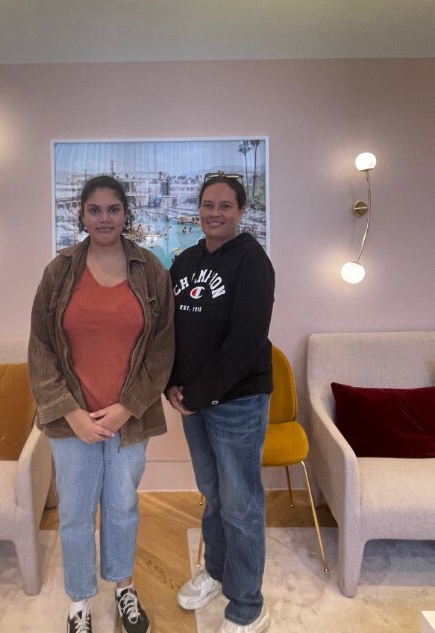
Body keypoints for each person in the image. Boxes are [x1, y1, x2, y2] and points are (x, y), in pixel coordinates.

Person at [29, 175, 175, 633]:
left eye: (113, 209)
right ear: (83, 214)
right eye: (95, 210)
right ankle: (79, 602)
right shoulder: (59, 272)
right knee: (74, 514)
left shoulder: (151, 271)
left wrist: (127, 406)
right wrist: (71, 412)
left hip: (129, 420)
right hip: (71, 421)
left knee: (122, 507)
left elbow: (162, 350)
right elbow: (40, 348)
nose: (105, 218)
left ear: (126, 214)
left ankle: (123, 587)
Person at [167, 174, 275, 633]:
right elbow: (169, 329)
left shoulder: (252, 261)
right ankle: (215, 572)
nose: (215, 213)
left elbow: (246, 340)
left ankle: (248, 604)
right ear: (198, 209)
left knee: (241, 504)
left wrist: (201, 394)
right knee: (213, 495)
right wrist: (171, 384)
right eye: (208, 205)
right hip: (194, 401)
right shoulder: (185, 261)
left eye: (225, 206)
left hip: (238, 402)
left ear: (241, 212)